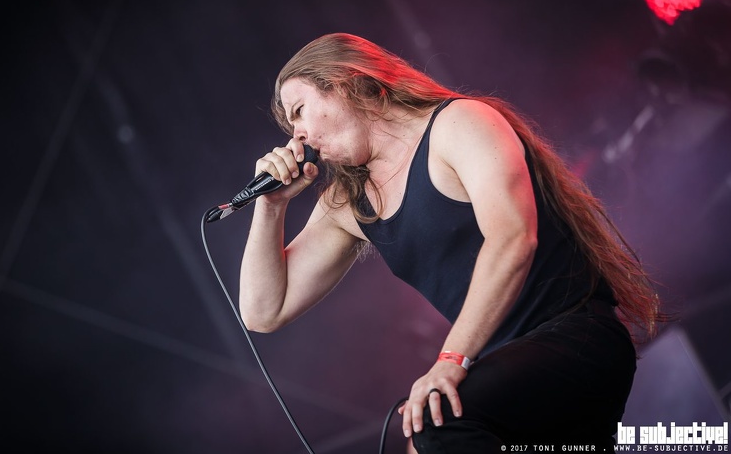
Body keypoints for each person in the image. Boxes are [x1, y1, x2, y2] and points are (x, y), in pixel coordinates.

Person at [238, 33, 663, 452]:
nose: (297, 137)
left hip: (574, 337)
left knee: (437, 427)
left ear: (347, 82)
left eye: (299, 112)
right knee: (428, 437)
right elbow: (263, 312)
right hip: (504, 366)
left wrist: (451, 359)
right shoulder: (348, 202)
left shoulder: (459, 124)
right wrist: (271, 205)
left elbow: (513, 238)